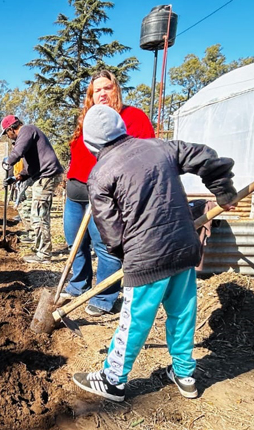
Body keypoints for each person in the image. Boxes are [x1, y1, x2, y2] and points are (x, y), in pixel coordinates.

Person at [71, 105, 237, 402]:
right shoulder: (160, 147)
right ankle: (185, 374)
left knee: (133, 322)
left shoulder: (100, 174)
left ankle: (112, 381)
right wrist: (222, 189)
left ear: (91, 143)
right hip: (185, 248)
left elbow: (109, 229)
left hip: (147, 258)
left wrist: (126, 254)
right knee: (183, 313)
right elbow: (205, 156)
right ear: (121, 128)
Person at [63, 70, 156, 317]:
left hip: (105, 194)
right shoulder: (87, 118)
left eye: (107, 88)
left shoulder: (132, 117)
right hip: (75, 192)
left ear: (116, 89)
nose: (102, 93)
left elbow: (147, 155)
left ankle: (104, 296)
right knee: (75, 242)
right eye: (96, 90)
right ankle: (78, 285)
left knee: (105, 245)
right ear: (90, 96)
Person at [0, 115, 64, 264]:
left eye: (6, 133)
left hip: (46, 175)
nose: (8, 137)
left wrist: (8, 162)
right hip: (42, 176)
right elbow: (30, 168)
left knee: (38, 215)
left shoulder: (27, 130)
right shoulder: (28, 135)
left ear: (11, 129)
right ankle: (40, 247)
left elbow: (18, 151)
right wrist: (17, 177)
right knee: (33, 211)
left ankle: (44, 254)